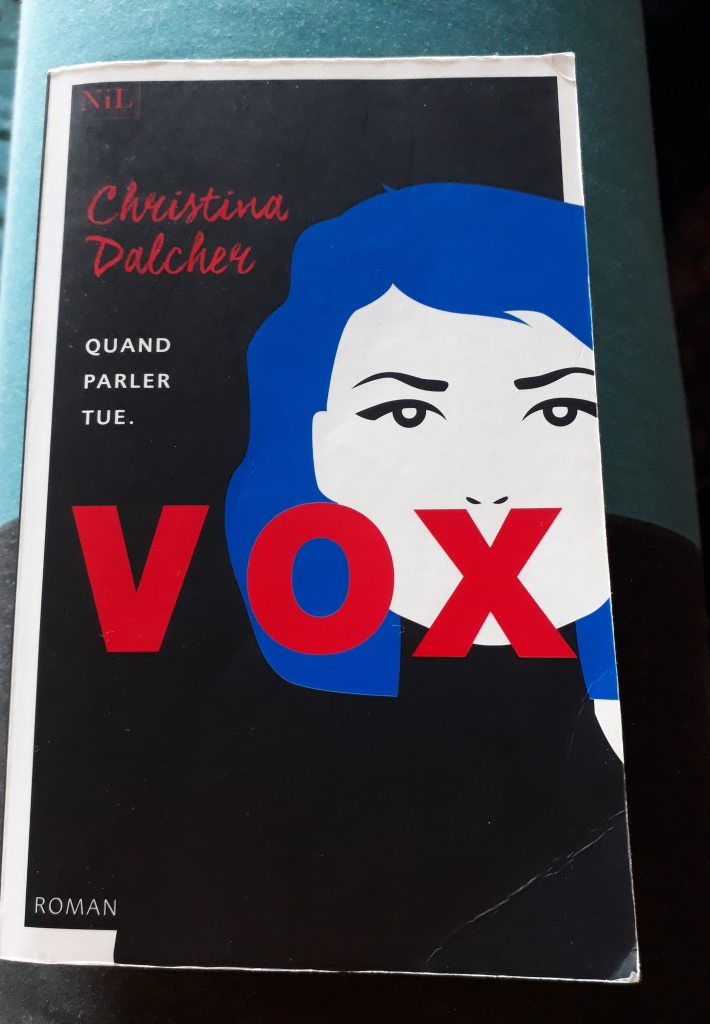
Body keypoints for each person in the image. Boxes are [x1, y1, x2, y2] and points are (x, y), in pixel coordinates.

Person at [220, 184, 636, 978]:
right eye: (408, 414)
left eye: (557, 412)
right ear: (321, 447)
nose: (486, 485)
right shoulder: (272, 739)